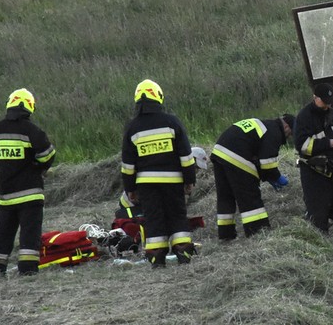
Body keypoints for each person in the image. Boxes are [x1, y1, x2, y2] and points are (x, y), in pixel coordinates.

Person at [0, 88, 56, 277]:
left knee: (2, 232)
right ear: (29, 107)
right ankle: (27, 271)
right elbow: (48, 153)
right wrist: (36, 165)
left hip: (6, 196)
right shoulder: (31, 130)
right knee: (29, 233)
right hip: (30, 194)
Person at [120, 79, 197, 267]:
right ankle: (183, 253)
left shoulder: (132, 127)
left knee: (153, 218)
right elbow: (186, 156)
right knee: (177, 215)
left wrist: (130, 188)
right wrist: (189, 179)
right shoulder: (172, 122)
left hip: (146, 184)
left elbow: (128, 164)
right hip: (173, 181)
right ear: (159, 97)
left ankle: (156, 258)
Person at [211, 115, 293, 240]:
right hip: (236, 154)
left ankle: (226, 234)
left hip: (219, 152)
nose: (288, 137)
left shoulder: (265, 124)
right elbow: (267, 164)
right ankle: (258, 231)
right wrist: (277, 177)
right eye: (290, 133)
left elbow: (259, 158)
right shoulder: (275, 132)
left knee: (226, 195)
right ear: (286, 126)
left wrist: (266, 175)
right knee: (249, 194)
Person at [294, 83, 333, 233]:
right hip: (315, 172)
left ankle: (324, 224)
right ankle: (319, 232)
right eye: (324, 101)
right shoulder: (304, 117)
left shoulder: (332, 113)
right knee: (318, 210)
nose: (327, 105)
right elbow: (301, 145)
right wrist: (326, 143)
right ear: (315, 98)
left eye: (329, 101)